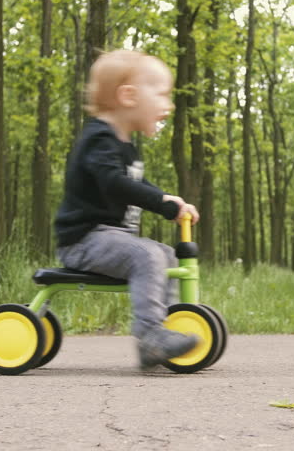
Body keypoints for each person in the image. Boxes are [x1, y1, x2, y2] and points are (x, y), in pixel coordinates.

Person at [54, 49, 201, 370]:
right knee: (146, 255)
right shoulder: (99, 140)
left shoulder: (123, 145)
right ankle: (150, 335)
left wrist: (168, 199)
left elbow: (137, 184)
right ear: (128, 96)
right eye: (162, 94)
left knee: (166, 254)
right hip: (83, 241)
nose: (169, 104)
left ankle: (168, 324)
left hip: (108, 238)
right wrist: (162, 204)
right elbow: (115, 184)